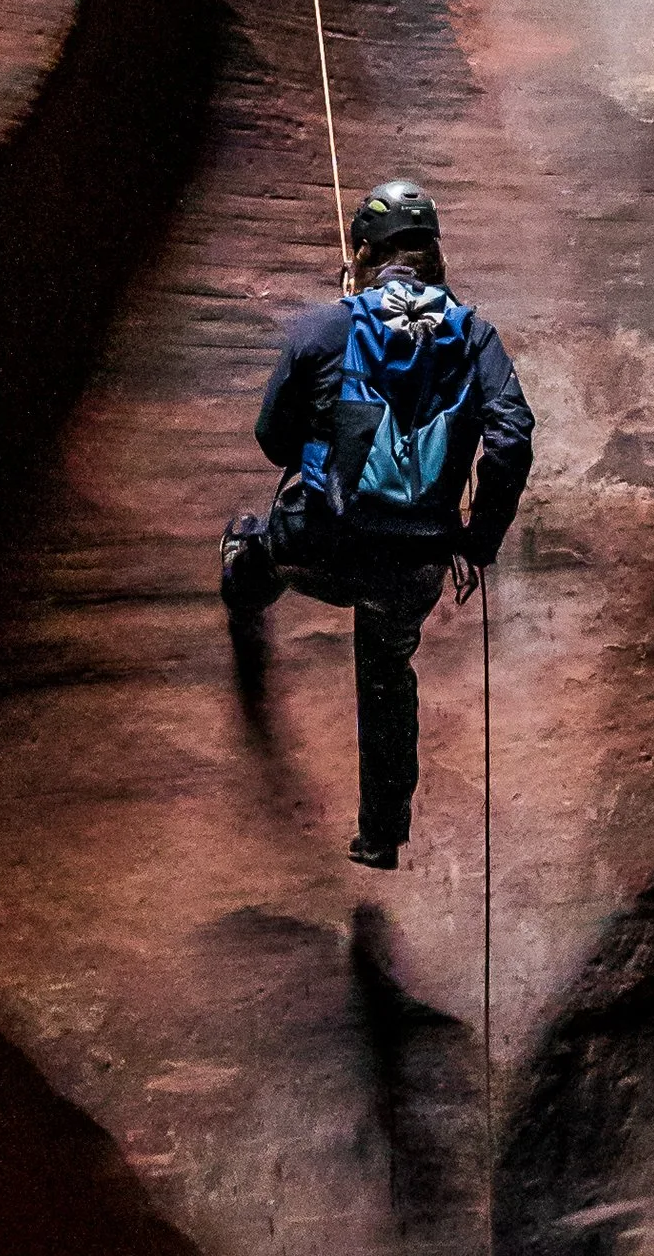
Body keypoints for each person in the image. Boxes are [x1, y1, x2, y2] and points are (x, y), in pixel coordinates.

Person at [222, 181, 534, 869]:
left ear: (363, 251)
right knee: (387, 669)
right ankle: (382, 833)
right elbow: (512, 439)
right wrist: (476, 543)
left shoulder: (327, 326)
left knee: (262, 544)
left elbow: (272, 441)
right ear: (434, 257)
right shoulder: (475, 336)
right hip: (415, 563)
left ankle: (246, 581)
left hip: (322, 544)